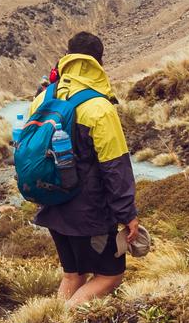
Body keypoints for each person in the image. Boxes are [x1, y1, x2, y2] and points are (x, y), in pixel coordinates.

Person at [28, 31, 143, 305]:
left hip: (53, 203)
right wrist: (127, 214)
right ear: (99, 62)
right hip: (88, 213)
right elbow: (115, 167)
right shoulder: (99, 107)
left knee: (73, 275)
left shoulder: (43, 98)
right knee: (110, 276)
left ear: (67, 57)